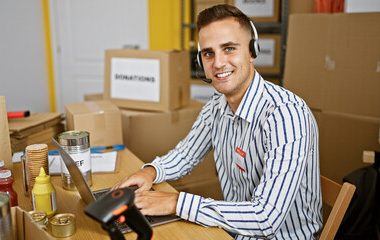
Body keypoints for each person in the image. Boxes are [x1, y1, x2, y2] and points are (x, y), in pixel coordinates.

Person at [112, 4, 322, 239]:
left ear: (253, 51)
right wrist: (151, 171)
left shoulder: (285, 115)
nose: (218, 63)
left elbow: (266, 219)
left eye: (229, 48)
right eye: (208, 53)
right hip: (232, 231)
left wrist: (176, 203)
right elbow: (186, 155)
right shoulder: (217, 105)